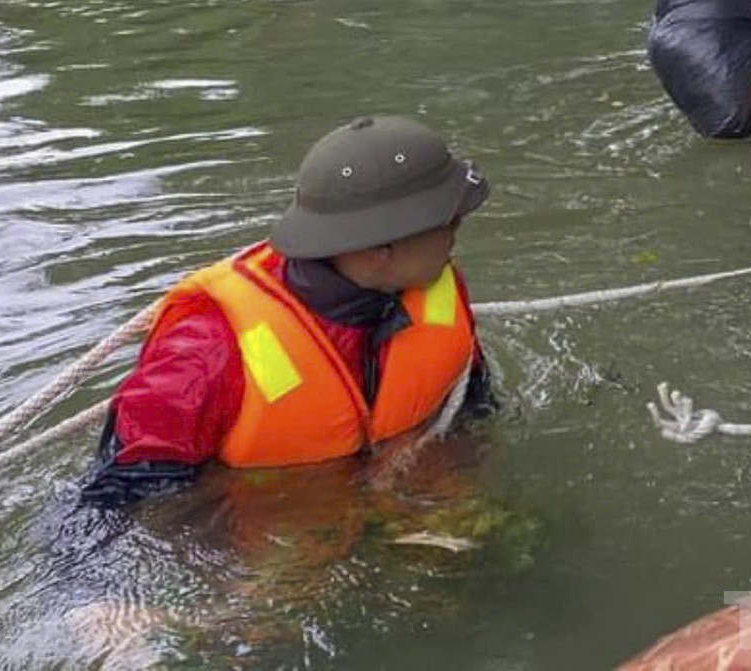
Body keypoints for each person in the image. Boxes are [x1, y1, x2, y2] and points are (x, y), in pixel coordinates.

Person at [80, 115, 495, 508]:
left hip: (405, 503)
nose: (458, 228)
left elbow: (472, 406)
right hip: (274, 544)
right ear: (380, 249)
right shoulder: (206, 347)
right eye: (448, 221)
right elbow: (117, 501)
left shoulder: (435, 289)